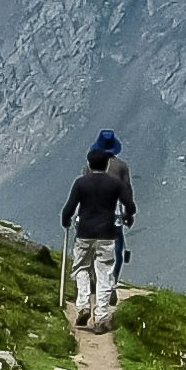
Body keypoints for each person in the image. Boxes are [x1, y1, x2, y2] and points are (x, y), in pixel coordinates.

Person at [62, 133, 135, 331]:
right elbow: (130, 203)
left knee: (81, 268)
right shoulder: (116, 181)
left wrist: (66, 219)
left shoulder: (81, 182)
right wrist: (129, 213)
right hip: (107, 232)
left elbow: (69, 208)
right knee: (104, 272)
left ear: (90, 163)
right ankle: (101, 316)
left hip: (84, 232)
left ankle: (83, 305)